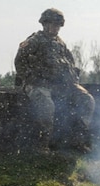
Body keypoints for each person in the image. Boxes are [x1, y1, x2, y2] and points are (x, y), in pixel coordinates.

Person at [14, 8, 95, 152]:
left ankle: (78, 140)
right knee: (46, 107)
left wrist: (72, 79)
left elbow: (69, 62)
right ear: (45, 24)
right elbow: (20, 62)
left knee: (86, 100)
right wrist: (32, 79)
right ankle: (41, 145)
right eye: (52, 24)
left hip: (63, 84)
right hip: (39, 84)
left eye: (58, 25)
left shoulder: (60, 43)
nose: (55, 28)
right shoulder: (34, 41)